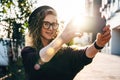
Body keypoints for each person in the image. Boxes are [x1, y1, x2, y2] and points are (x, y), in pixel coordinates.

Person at [21, 5, 111, 80]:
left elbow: (85, 55)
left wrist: (98, 44)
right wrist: (62, 38)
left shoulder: (65, 53)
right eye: (46, 24)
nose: (51, 28)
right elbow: (40, 58)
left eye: (54, 24)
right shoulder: (28, 52)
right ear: (37, 26)